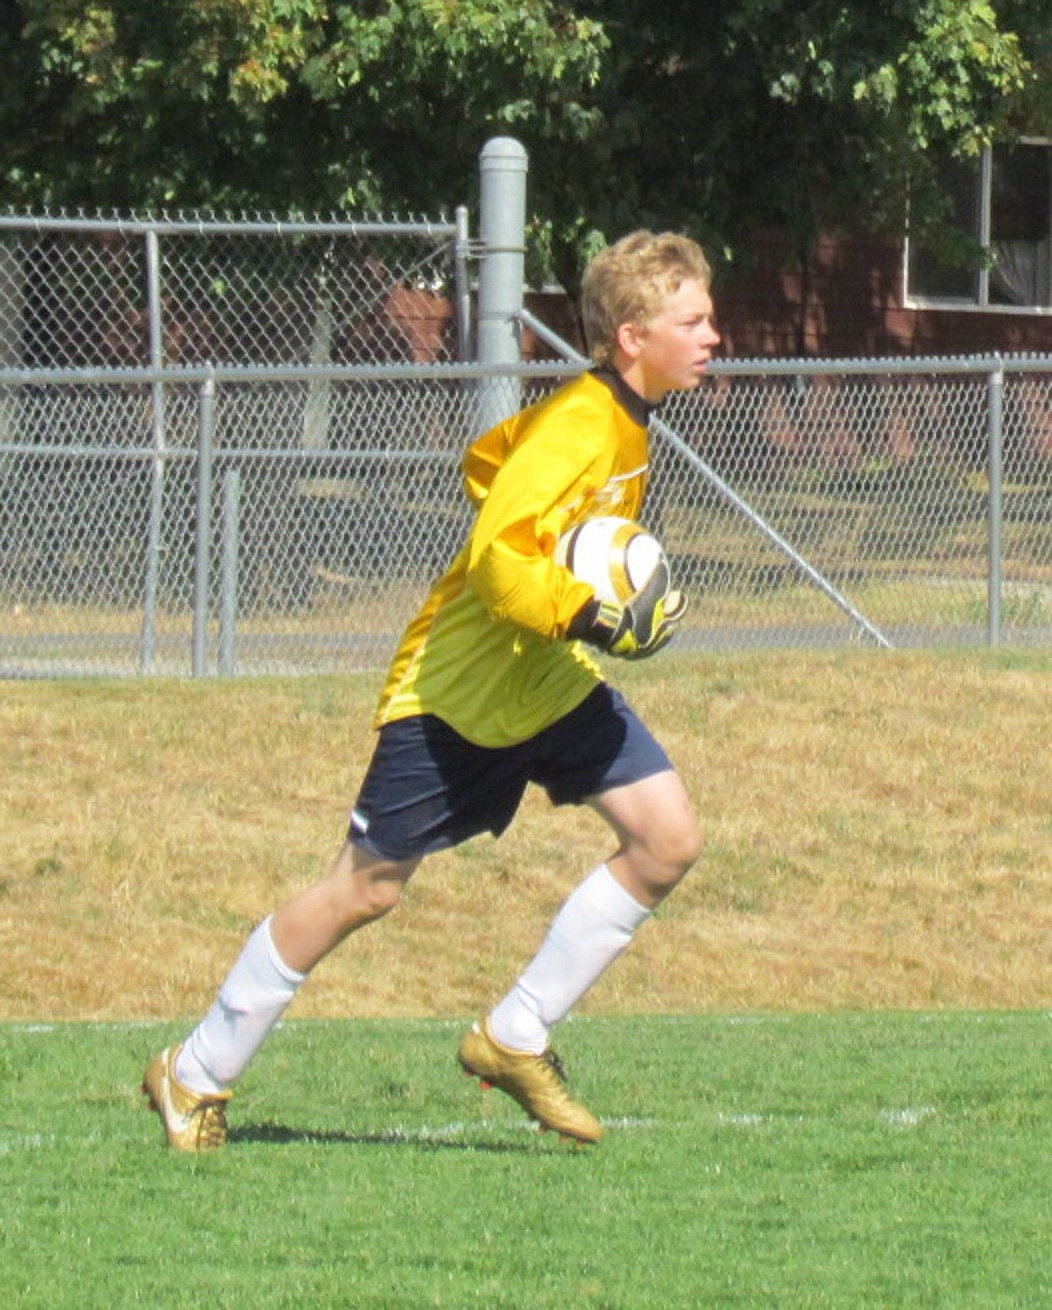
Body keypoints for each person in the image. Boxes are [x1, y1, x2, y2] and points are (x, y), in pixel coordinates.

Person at [143, 229, 721, 1150]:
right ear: (630, 337)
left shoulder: (619, 420)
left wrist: (581, 605)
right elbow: (499, 561)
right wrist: (586, 612)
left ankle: (515, 1035)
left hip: (545, 685)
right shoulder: (583, 420)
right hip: (456, 693)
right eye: (692, 320)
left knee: (666, 838)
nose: (711, 336)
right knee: (363, 891)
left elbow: (489, 463)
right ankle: (195, 1071)